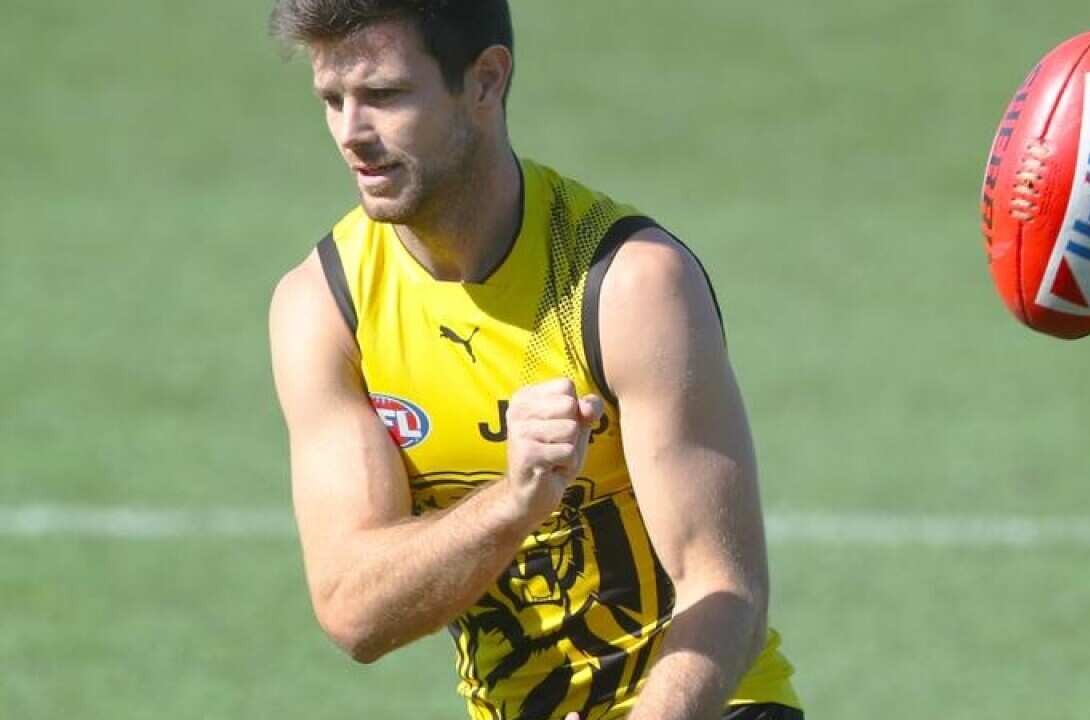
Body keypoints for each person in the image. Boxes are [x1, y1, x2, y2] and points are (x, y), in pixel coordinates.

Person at [266, 2, 802, 718]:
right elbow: (354, 611)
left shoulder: (629, 284)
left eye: (386, 95)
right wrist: (515, 502)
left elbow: (724, 589)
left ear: (485, 81)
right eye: (332, 100)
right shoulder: (325, 307)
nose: (351, 133)